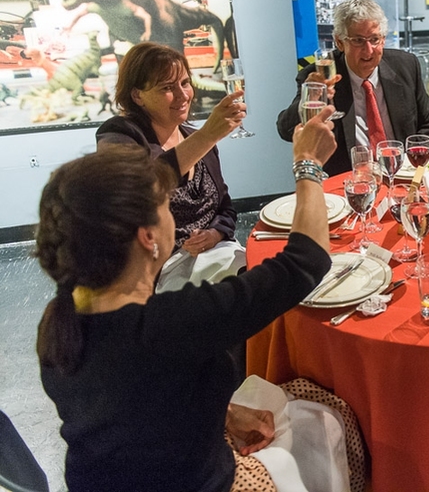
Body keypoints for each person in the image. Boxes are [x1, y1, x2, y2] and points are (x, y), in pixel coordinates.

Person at [36, 107, 338, 491]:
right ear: (149, 237)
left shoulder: (61, 319)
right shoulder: (172, 325)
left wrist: (224, 412)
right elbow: (306, 261)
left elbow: (142, 401)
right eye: (165, 207)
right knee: (329, 420)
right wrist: (307, 165)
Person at [96, 42, 245, 293]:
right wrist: (207, 136)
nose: (183, 95)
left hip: (214, 255)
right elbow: (138, 188)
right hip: (158, 272)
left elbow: (225, 206)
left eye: (185, 83)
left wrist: (217, 233)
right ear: (137, 95)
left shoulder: (194, 137)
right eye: (167, 87)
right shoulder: (118, 134)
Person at [276, 0, 429, 175]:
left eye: (374, 39)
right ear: (339, 42)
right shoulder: (321, 76)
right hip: (351, 181)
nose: (368, 50)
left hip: (403, 173)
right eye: (358, 41)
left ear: (383, 39)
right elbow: (285, 130)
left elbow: (428, 121)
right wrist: (311, 96)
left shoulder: (406, 66)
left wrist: (418, 171)